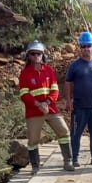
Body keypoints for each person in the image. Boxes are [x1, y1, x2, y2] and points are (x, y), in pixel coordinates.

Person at [17, 40, 74, 172]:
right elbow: (24, 94)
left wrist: (47, 103)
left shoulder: (49, 70)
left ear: (43, 55)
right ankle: (35, 166)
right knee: (33, 140)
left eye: (39, 53)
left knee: (64, 131)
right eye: (33, 53)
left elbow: (55, 90)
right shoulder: (25, 73)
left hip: (51, 109)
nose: (36, 56)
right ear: (28, 56)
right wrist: (38, 104)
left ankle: (68, 161)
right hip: (33, 111)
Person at [64, 30, 92, 167]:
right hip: (79, 106)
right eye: (83, 46)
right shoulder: (75, 65)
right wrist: (68, 100)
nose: (85, 49)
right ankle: (75, 158)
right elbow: (68, 83)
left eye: (88, 46)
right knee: (76, 134)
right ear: (80, 48)